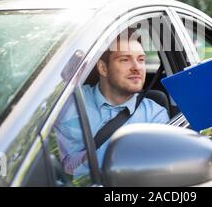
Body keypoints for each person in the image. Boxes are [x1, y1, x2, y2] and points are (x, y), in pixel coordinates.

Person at [54, 30, 169, 177]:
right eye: (124, 59)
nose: (136, 67)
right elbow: (65, 170)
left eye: (141, 59)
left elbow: (155, 173)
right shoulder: (70, 105)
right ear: (103, 68)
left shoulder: (155, 115)